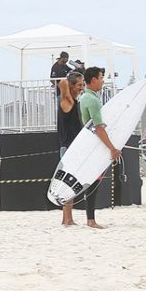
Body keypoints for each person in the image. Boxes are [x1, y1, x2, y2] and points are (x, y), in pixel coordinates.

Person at [79, 67, 122, 229]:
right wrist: (112, 148)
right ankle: (90, 220)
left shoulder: (85, 98)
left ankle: (90, 218)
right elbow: (98, 127)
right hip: (94, 145)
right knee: (93, 182)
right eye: (101, 77)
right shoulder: (92, 100)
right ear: (94, 80)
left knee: (92, 182)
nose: (103, 80)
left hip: (88, 144)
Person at [56, 71, 85, 226]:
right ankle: (67, 219)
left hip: (69, 147)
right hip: (68, 148)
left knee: (70, 183)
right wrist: (66, 83)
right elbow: (62, 83)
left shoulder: (71, 101)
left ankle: (67, 218)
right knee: (69, 184)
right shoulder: (67, 102)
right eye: (79, 85)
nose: (82, 88)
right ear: (71, 85)